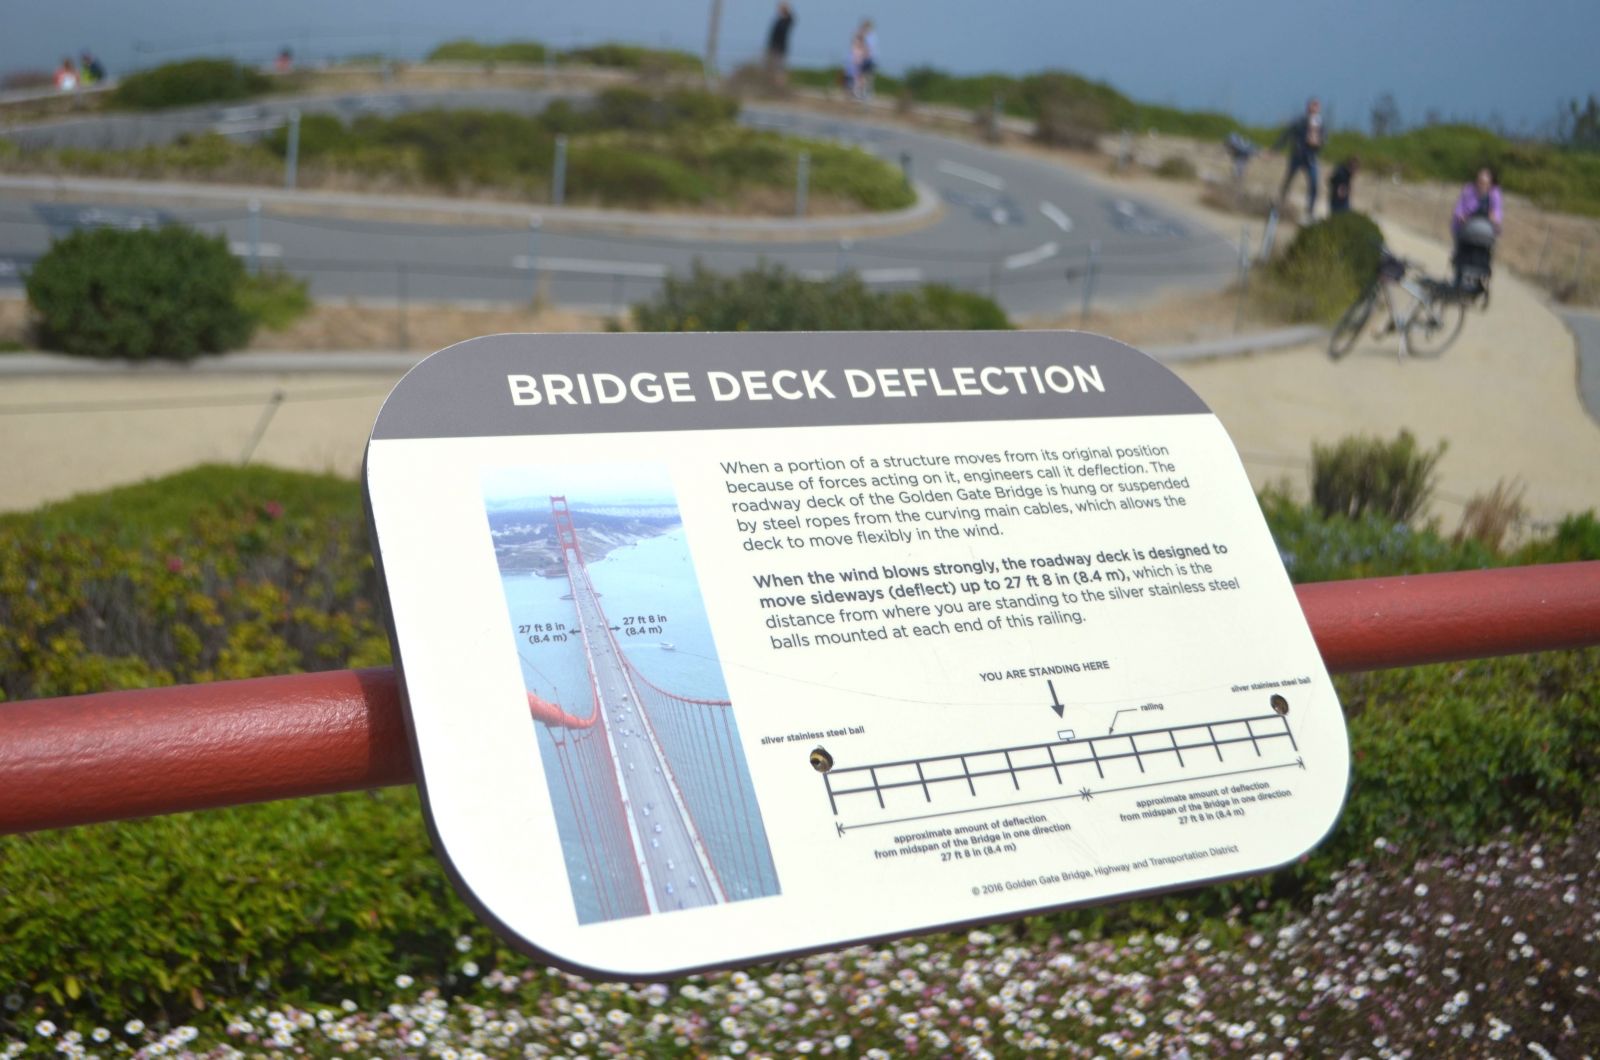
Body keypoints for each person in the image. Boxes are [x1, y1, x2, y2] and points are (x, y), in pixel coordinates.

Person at [1450, 166, 1502, 289]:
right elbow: (1459, 207)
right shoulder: (1468, 190)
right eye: (1479, 181)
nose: (1481, 185)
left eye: (1485, 183)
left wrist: (1495, 219)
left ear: (1490, 183)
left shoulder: (1494, 194)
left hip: (1484, 231)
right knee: (1461, 251)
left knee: (1483, 253)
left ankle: (1478, 279)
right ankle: (1459, 276)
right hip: (1465, 229)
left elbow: (1498, 213)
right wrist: (1460, 215)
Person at [1275, 97, 1324, 217]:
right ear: (1308, 107)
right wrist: (1276, 148)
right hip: (1298, 156)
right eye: (1313, 105)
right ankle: (1280, 201)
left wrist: (1317, 142)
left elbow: (1323, 140)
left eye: (1317, 106)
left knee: (1313, 184)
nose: (1314, 108)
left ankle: (1310, 210)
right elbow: (1287, 134)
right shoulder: (1300, 121)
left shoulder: (1320, 123)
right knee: (1289, 179)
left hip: (1311, 158)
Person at [765, 3, 794, 89]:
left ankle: (780, 86)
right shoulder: (779, 20)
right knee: (772, 67)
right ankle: (772, 85)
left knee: (780, 68)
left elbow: (792, 18)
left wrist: (787, 8)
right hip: (773, 47)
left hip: (780, 48)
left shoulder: (787, 20)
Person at [856, 19, 878, 100]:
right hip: (868, 58)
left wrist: (864, 56)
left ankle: (867, 94)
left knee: (866, 76)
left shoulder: (870, 37)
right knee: (865, 76)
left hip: (868, 59)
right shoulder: (870, 36)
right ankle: (865, 93)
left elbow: (868, 48)